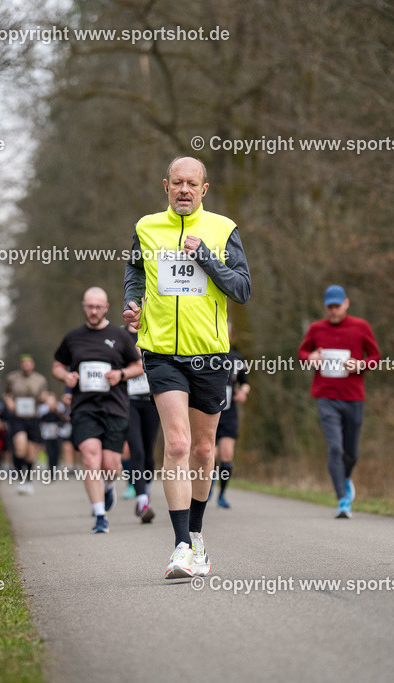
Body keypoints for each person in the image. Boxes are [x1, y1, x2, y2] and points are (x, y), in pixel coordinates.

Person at [124, 156, 251, 578]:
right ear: (165, 185)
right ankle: (179, 546)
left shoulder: (223, 229)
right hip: (160, 351)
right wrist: (132, 303)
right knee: (176, 445)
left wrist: (209, 259)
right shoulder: (146, 227)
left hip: (210, 353)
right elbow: (135, 271)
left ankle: (197, 536)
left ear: (204, 189)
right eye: (176, 182)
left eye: (191, 183)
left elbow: (242, 288)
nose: (183, 190)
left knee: (202, 449)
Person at [53, 287, 143, 533]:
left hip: (115, 407)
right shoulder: (73, 338)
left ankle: (108, 486)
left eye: (98, 307)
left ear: (106, 308)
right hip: (84, 408)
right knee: (91, 457)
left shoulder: (120, 336)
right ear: (84, 307)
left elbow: (139, 366)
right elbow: (57, 365)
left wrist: (121, 374)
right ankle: (100, 515)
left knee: (110, 464)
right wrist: (66, 376)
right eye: (89, 307)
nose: (93, 311)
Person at [297, 285, 380, 518]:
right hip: (326, 397)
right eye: (329, 307)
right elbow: (302, 354)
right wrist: (310, 357)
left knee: (351, 452)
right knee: (335, 447)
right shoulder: (316, 329)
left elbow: (375, 357)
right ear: (325, 307)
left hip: (353, 397)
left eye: (337, 306)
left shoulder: (361, 327)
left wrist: (361, 364)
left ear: (346, 303)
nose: (333, 311)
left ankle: (344, 477)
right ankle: (343, 499)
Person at [124, 322, 160, 523]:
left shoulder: (157, 330)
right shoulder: (120, 336)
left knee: (148, 451)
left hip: (152, 399)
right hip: (128, 400)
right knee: (136, 450)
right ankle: (142, 501)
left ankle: (145, 493)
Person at [212, 334, 249, 508]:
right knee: (209, 455)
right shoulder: (204, 354)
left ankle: (222, 494)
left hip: (229, 412)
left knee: (226, 454)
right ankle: (206, 487)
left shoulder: (236, 357)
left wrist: (243, 392)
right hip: (209, 411)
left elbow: (245, 382)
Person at [4, 355, 50, 495]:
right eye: (24, 363)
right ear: (20, 364)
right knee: (19, 446)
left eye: (29, 363)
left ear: (33, 364)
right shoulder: (12, 378)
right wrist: (9, 402)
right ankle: (21, 480)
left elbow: (44, 395)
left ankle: (28, 480)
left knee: (31, 453)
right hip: (17, 417)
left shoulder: (40, 379)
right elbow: (6, 394)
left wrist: (44, 398)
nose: (26, 365)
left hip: (33, 418)